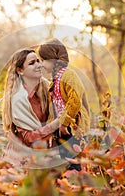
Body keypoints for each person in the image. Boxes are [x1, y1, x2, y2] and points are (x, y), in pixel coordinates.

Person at [38, 38, 90, 173]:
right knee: (65, 160)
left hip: (72, 127)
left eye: (43, 60)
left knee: (73, 162)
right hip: (62, 129)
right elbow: (54, 106)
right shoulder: (55, 79)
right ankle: (68, 187)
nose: (42, 64)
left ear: (53, 59)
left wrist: (65, 122)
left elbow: (75, 101)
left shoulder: (69, 75)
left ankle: (77, 186)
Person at [1, 49, 60, 166]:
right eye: (32, 63)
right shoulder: (18, 99)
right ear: (20, 70)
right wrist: (55, 124)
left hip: (42, 155)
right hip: (20, 159)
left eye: (38, 61)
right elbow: (29, 138)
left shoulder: (48, 89)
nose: (38, 65)